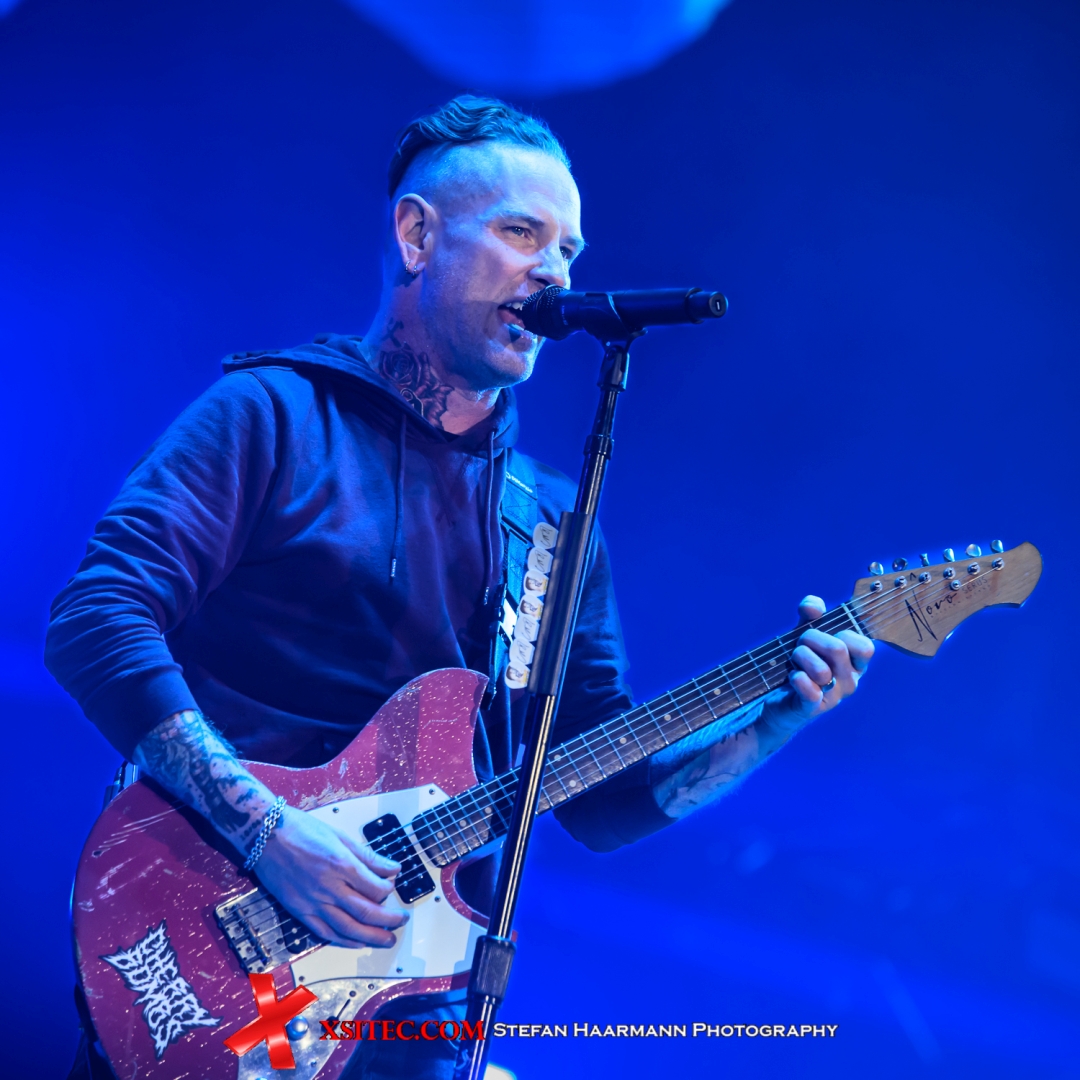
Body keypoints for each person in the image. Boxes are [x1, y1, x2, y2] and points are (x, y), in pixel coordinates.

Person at [46, 95, 873, 1080]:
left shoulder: (557, 530)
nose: (557, 271)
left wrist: (767, 724)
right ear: (417, 234)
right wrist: (269, 835)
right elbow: (97, 618)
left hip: (409, 1010)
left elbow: (598, 802)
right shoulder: (272, 417)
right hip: (206, 945)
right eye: (522, 232)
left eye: (569, 247)